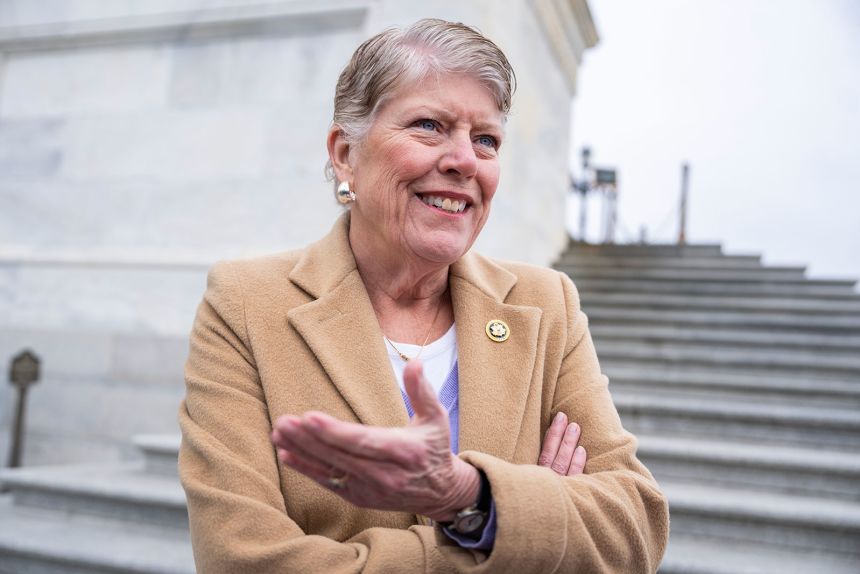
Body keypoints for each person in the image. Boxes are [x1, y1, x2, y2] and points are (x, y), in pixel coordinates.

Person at [179, 18, 668, 574]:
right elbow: (240, 559)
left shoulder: (546, 304)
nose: (465, 161)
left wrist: (472, 496)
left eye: (485, 139)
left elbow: (636, 529)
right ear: (345, 154)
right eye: (430, 126)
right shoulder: (245, 304)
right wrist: (513, 525)